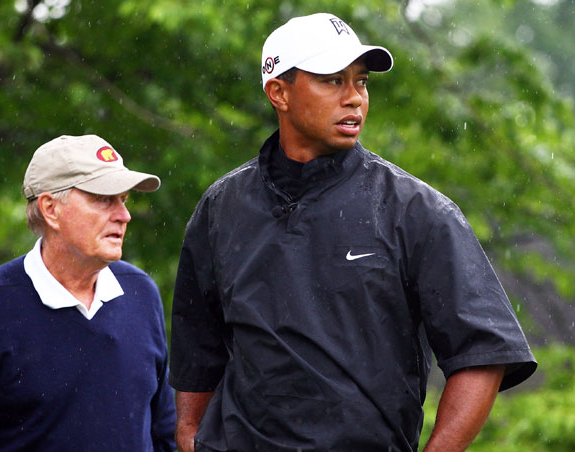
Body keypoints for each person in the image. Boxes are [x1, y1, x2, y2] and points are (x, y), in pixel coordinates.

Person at [168, 12, 537, 452]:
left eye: (360, 82)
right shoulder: (221, 207)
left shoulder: (416, 210)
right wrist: (190, 438)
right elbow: (196, 354)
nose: (355, 99)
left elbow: (483, 354)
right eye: (332, 81)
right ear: (279, 92)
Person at [0, 135, 176, 451]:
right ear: (51, 209)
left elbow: (166, 433)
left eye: (123, 199)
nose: (124, 215)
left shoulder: (140, 294)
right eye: (103, 199)